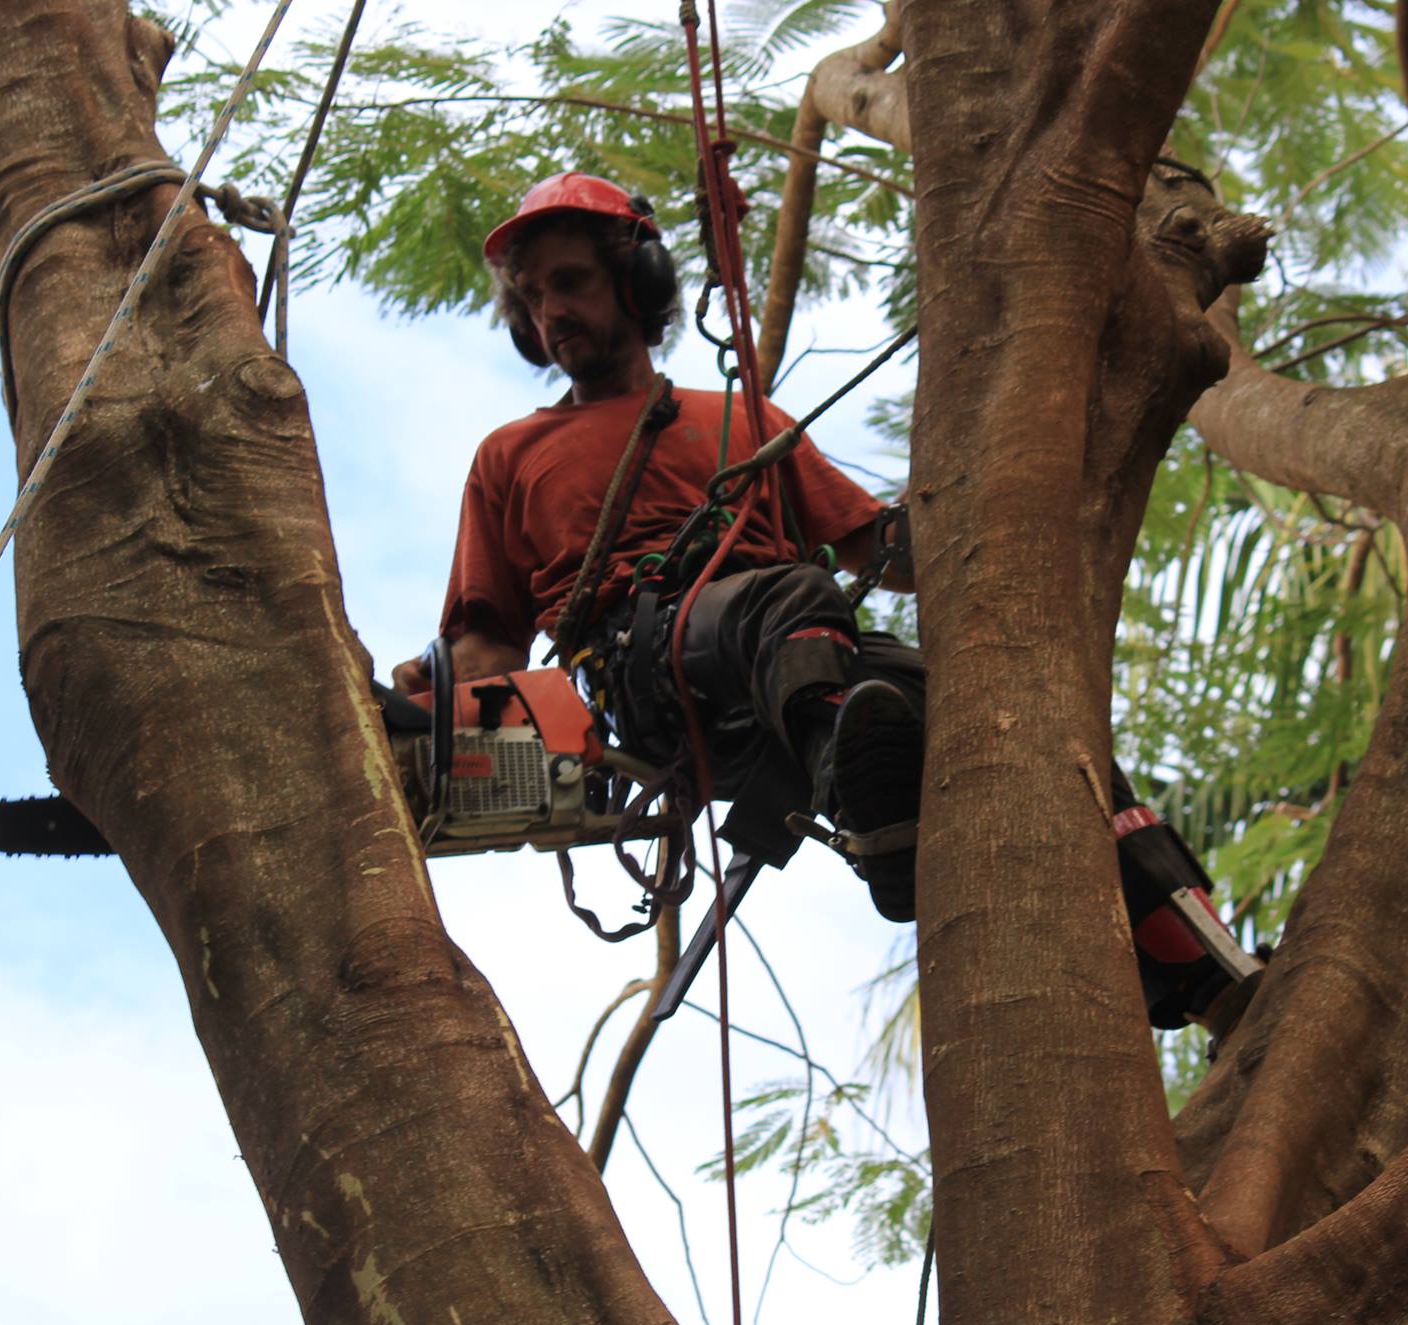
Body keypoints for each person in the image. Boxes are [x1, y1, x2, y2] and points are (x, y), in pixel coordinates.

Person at [395, 172, 1256, 1033]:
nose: (550, 311)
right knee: (789, 597)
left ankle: (1217, 984)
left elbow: (887, 552)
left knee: (1037, 723)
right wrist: (406, 708)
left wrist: (1002, 469)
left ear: (638, 280)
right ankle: (869, 799)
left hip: (798, 654)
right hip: (656, 671)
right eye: (533, 297)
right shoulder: (511, 454)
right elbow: (487, 649)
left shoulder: (744, 420)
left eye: (570, 282)